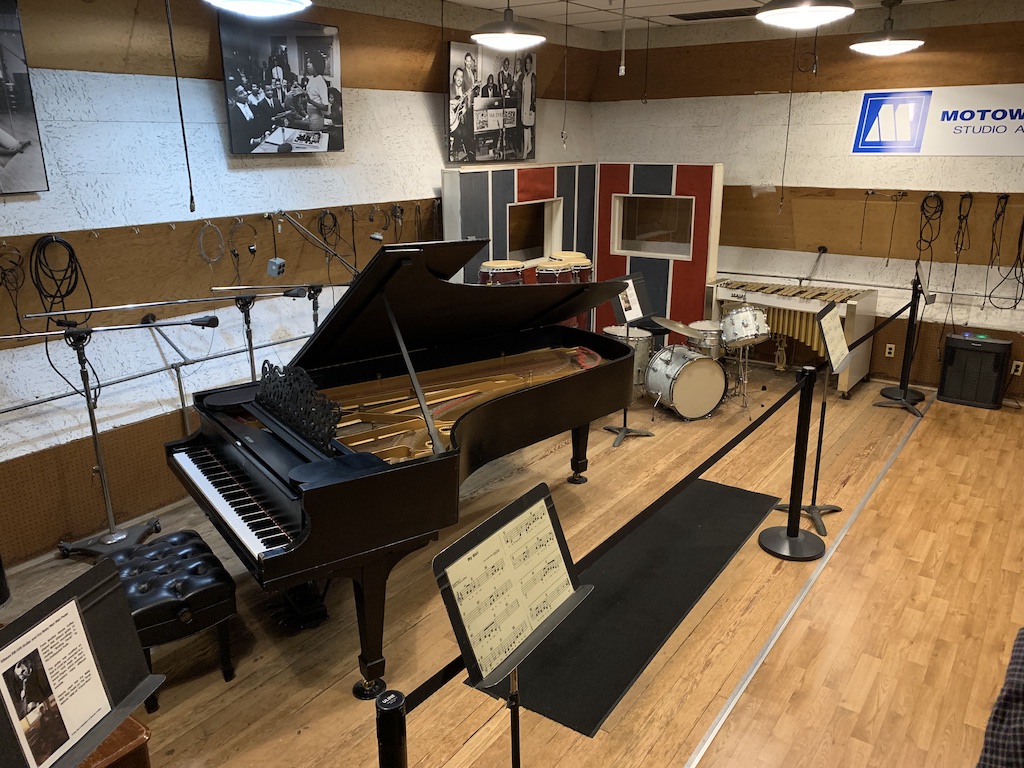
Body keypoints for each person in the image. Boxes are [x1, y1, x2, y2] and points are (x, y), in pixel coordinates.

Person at [449, 67, 474, 162]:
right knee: (459, 132)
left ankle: (471, 155)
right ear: (454, 77)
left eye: (461, 77)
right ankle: (455, 152)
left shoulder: (464, 91)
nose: (459, 79)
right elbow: (441, 101)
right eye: (458, 76)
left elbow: (467, 107)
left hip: (459, 120)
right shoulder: (449, 88)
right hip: (450, 121)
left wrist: (465, 108)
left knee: (468, 132)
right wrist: (452, 102)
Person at [304, 57, 330, 130]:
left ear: (316, 64)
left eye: (310, 62)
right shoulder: (312, 78)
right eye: (307, 62)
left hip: (317, 118)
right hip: (310, 115)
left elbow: (325, 107)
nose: (307, 64)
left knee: (315, 135)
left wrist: (310, 101)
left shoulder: (320, 81)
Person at [522, 53, 537, 157]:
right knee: (526, 127)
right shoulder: (526, 75)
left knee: (526, 127)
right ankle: (529, 147)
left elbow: (534, 93)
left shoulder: (533, 76)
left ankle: (525, 152)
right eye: (526, 63)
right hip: (525, 105)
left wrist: (532, 107)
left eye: (529, 63)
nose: (527, 65)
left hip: (529, 106)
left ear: (531, 64)